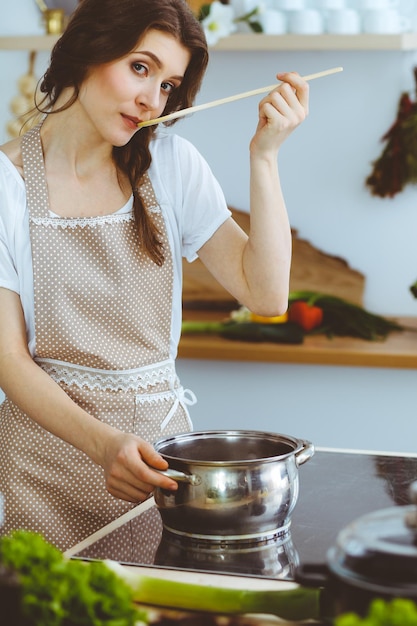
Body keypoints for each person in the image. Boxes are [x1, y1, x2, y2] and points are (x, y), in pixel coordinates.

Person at [0, 0, 309, 554]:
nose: (151, 100)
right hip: (38, 471)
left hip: (152, 469)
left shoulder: (171, 164)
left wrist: (264, 157)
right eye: (140, 68)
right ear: (88, 50)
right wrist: (103, 446)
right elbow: (8, 360)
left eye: (168, 85)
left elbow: (265, 294)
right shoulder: (5, 188)